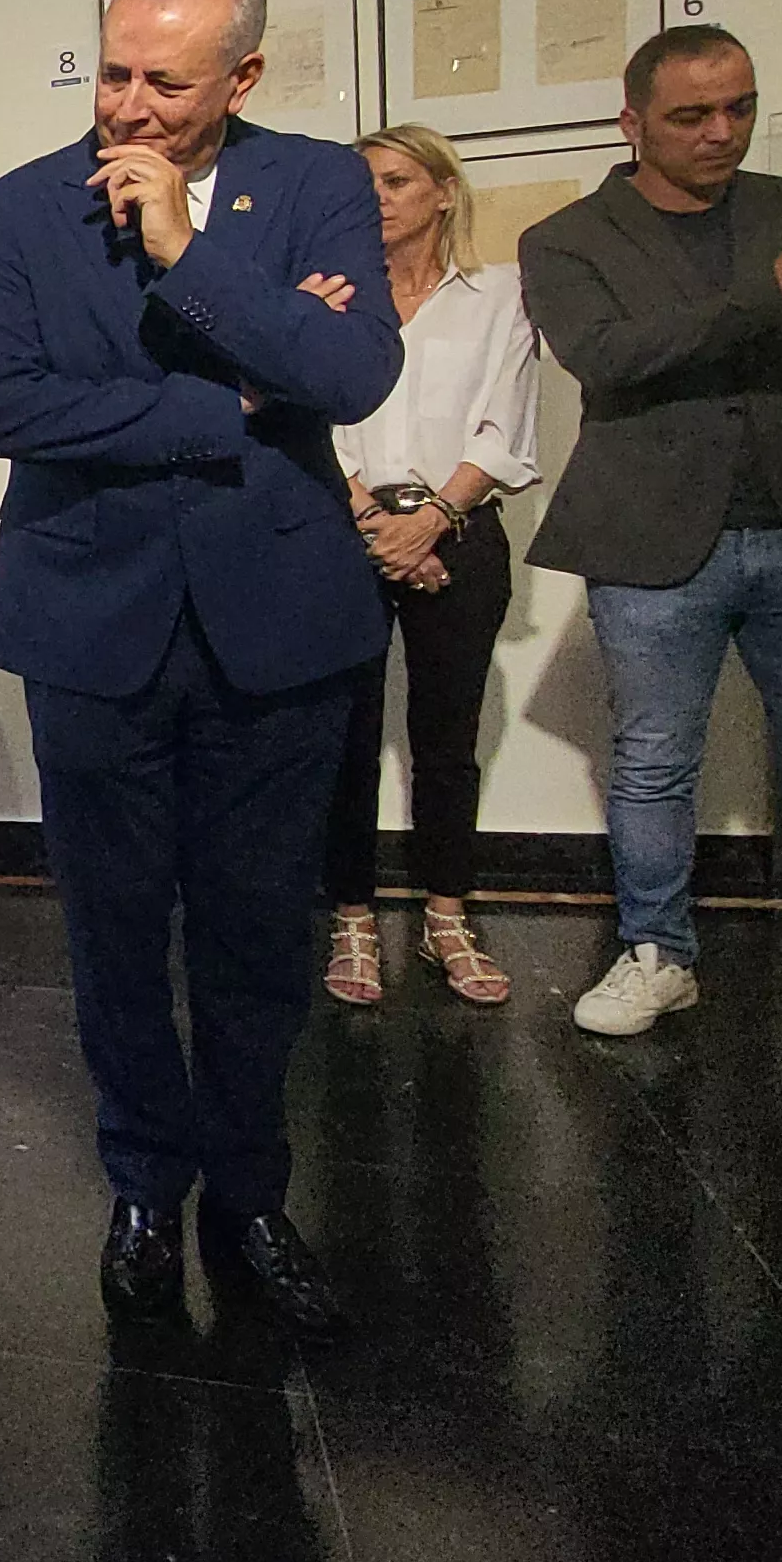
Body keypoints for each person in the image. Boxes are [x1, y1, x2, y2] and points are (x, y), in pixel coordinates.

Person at [0, 0, 398, 1342]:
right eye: (114, 68)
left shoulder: (319, 183)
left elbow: (353, 371)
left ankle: (249, 1193)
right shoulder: (22, 210)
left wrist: (191, 259)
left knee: (262, 935)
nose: (127, 104)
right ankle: (144, 1183)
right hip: (91, 628)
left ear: (244, 76)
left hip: (282, 623)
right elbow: (9, 409)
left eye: (164, 79)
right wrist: (241, 407)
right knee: (115, 934)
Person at [519, 25, 782, 1066]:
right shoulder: (566, 237)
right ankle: (657, 949)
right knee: (654, 762)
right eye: (691, 114)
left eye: (738, 106)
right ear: (632, 121)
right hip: (654, 533)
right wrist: (769, 293)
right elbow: (606, 354)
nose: (721, 131)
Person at [320, 125, 540, 1009]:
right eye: (363, 183)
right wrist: (375, 522)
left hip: (460, 529)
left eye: (397, 179)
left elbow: (505, 423)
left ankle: (448, 912)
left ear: (444, 192)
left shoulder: (500, 295)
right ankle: (353, 917)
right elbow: (316, 420)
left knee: (448, 743)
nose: (377, 197)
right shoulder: (334, 298)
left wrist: (434, 521)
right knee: (346, 740)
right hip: (351, 531)